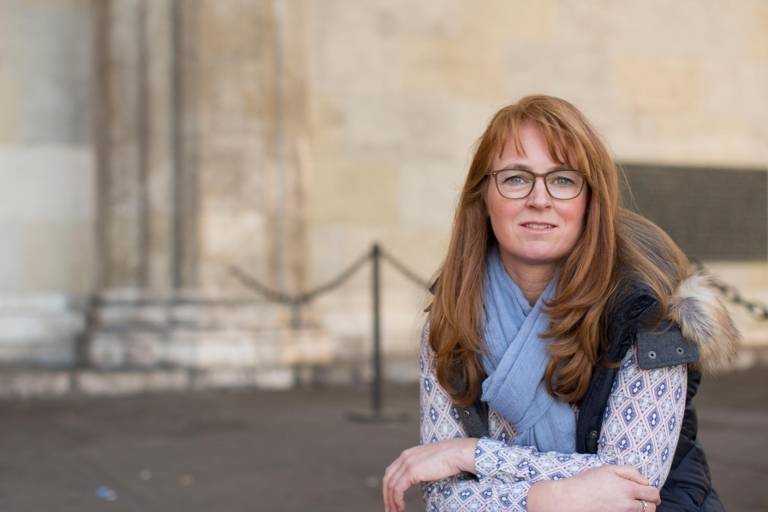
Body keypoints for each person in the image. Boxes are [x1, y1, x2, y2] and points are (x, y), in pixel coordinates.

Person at [382, 95, 738, 512]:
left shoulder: (647, 310)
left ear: (591, 200)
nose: (539, 198)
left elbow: (634, 486)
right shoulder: (451, 316)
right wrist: (553, 498)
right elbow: (444, 497)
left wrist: (470, 454)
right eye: (516, 178)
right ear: (483, 197)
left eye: (563, 180)